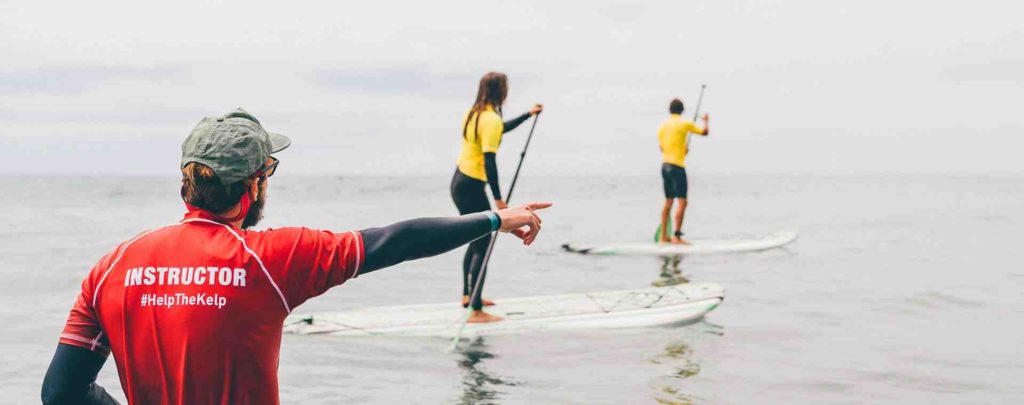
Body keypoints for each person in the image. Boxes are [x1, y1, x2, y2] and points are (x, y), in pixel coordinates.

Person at [41, 108, 551, 405]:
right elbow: (394, 241)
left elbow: (60, 395)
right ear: (254, 184)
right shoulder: (272, 259)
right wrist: (493, 219)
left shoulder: (112, 266)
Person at [451, 72, 542, 323]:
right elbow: (490, 160)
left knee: (475, 238)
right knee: (482, 241)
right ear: (501, 91)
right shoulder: (490, 118)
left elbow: (500, 129)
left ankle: (468, 296)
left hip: (460, 181)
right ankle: (476, 310)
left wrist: (528, 115)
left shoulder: (475, 113)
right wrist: (499, 200)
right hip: (472, 184)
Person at [658, 98, 709, 244]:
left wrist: (682, 150)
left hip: (665, 166)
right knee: (682, 202)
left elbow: (662, 148)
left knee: (668, 201)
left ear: (670, 110)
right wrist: (705, 120)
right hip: (677, 166)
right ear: (682, 110)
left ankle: (663, 237)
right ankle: (677, 237)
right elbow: (705, 132)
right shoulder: (684, 123)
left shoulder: (662, 126)